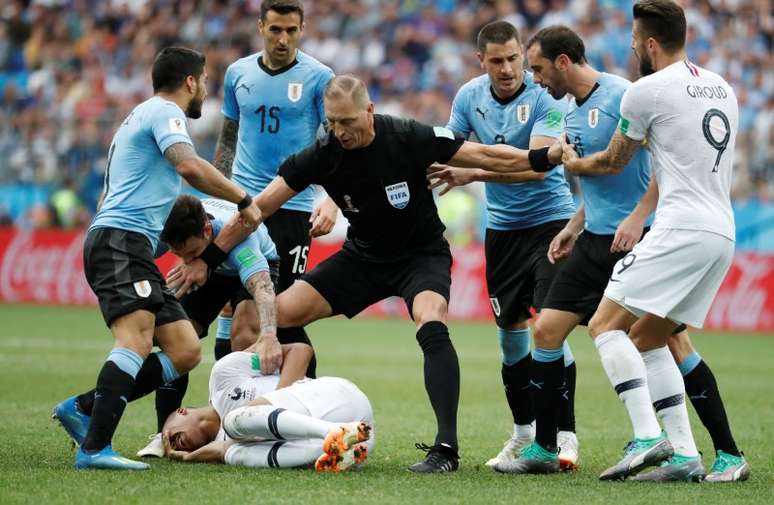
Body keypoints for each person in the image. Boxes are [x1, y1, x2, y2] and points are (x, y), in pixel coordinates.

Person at [251, 74, 566, 473]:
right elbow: (261, 206)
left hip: (421, 255)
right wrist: (208, 254)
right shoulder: (322, 152)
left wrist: (541, 158)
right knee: (277, 314)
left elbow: (484, 155)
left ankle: (446, 449)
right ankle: (303, 405)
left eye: (348, 121)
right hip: (362, 258)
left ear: (369, 110)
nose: (340, 131)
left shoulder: (408, 136)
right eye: (333, 122)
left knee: (430, 321)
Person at [51, 46, 262, 470]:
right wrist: (243, 198)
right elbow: (189, 168)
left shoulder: (143, 114)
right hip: (120, 242)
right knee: (136, 338)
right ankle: (95, 449)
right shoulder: (166, 113)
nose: (205, 88)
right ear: (190, 81)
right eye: (203, 81)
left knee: (184, 348)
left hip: (132, 245)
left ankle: (85, 408)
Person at [560, 0, 740, 482]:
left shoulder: (644, 92)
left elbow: (614, 161)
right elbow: (676, 165)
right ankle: (693, 455)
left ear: (651, 44)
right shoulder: (722, 87)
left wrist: (569, 163)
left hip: (681, 228)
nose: (634, 47)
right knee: (650, 335)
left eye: (637, 41)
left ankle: (647, 436)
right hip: (721, 231)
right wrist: (640, 213)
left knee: (603, 324)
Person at [427, 20, 579, 470]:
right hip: (502, 231)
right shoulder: (469, 97)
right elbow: (449, 148)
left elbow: (538, 167)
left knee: (549, 328)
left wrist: (473, 173)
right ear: (482, 61)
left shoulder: (545, 95)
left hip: (551, 223)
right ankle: (523, 436)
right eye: (498, 60)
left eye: (514, 58)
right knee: (511, 340)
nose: (509, 68)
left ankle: (566, 437)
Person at [209, 0, 337, 374]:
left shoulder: (319, 76)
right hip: (245, 204)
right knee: (234, 308)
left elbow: (336, 144)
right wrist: (220, 199)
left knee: (281, 311)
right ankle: (234, 400)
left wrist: (329, 198)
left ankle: (306, 394)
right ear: (260, 26)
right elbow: (228, 139)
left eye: (291, 31)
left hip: (293, 208)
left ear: (302, 29)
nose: (283, 39)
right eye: (275, 29)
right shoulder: (237, 73)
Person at [132, 195, 281, 458]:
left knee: (244, 332)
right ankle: (161, 433)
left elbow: (262, 287)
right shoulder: (176, 225)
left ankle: (241, 428)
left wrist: (269, 336)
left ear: (207, 231)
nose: (186, 259)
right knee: (177, 340)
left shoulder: (240, 237)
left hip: (258, 268)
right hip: (213, 274)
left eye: (191, 253)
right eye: (180, 255)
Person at [161, 346, 375, 472]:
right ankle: (336, 448)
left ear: (181, 412)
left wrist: (275, 400)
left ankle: (332, 432)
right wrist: (189, 458)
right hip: (363, 435)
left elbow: (299, 351)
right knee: (236, 454)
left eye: (167, 436)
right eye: (169, 448)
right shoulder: (221, 445)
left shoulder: (223, 376)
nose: (173, 444)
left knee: (234, 422)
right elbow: (221, 450)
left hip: (333, 397)